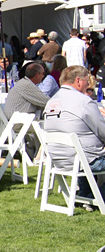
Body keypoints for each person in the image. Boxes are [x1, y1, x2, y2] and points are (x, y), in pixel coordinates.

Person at [43, 65, 105, 200]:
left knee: (83, 151)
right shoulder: (84, 102)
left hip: (59, 159)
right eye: (86, 80)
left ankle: (86, 195)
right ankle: (99, 196)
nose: (88, 83)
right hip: (85, 160)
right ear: (78, 81)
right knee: (90, 155)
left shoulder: (51, 102)